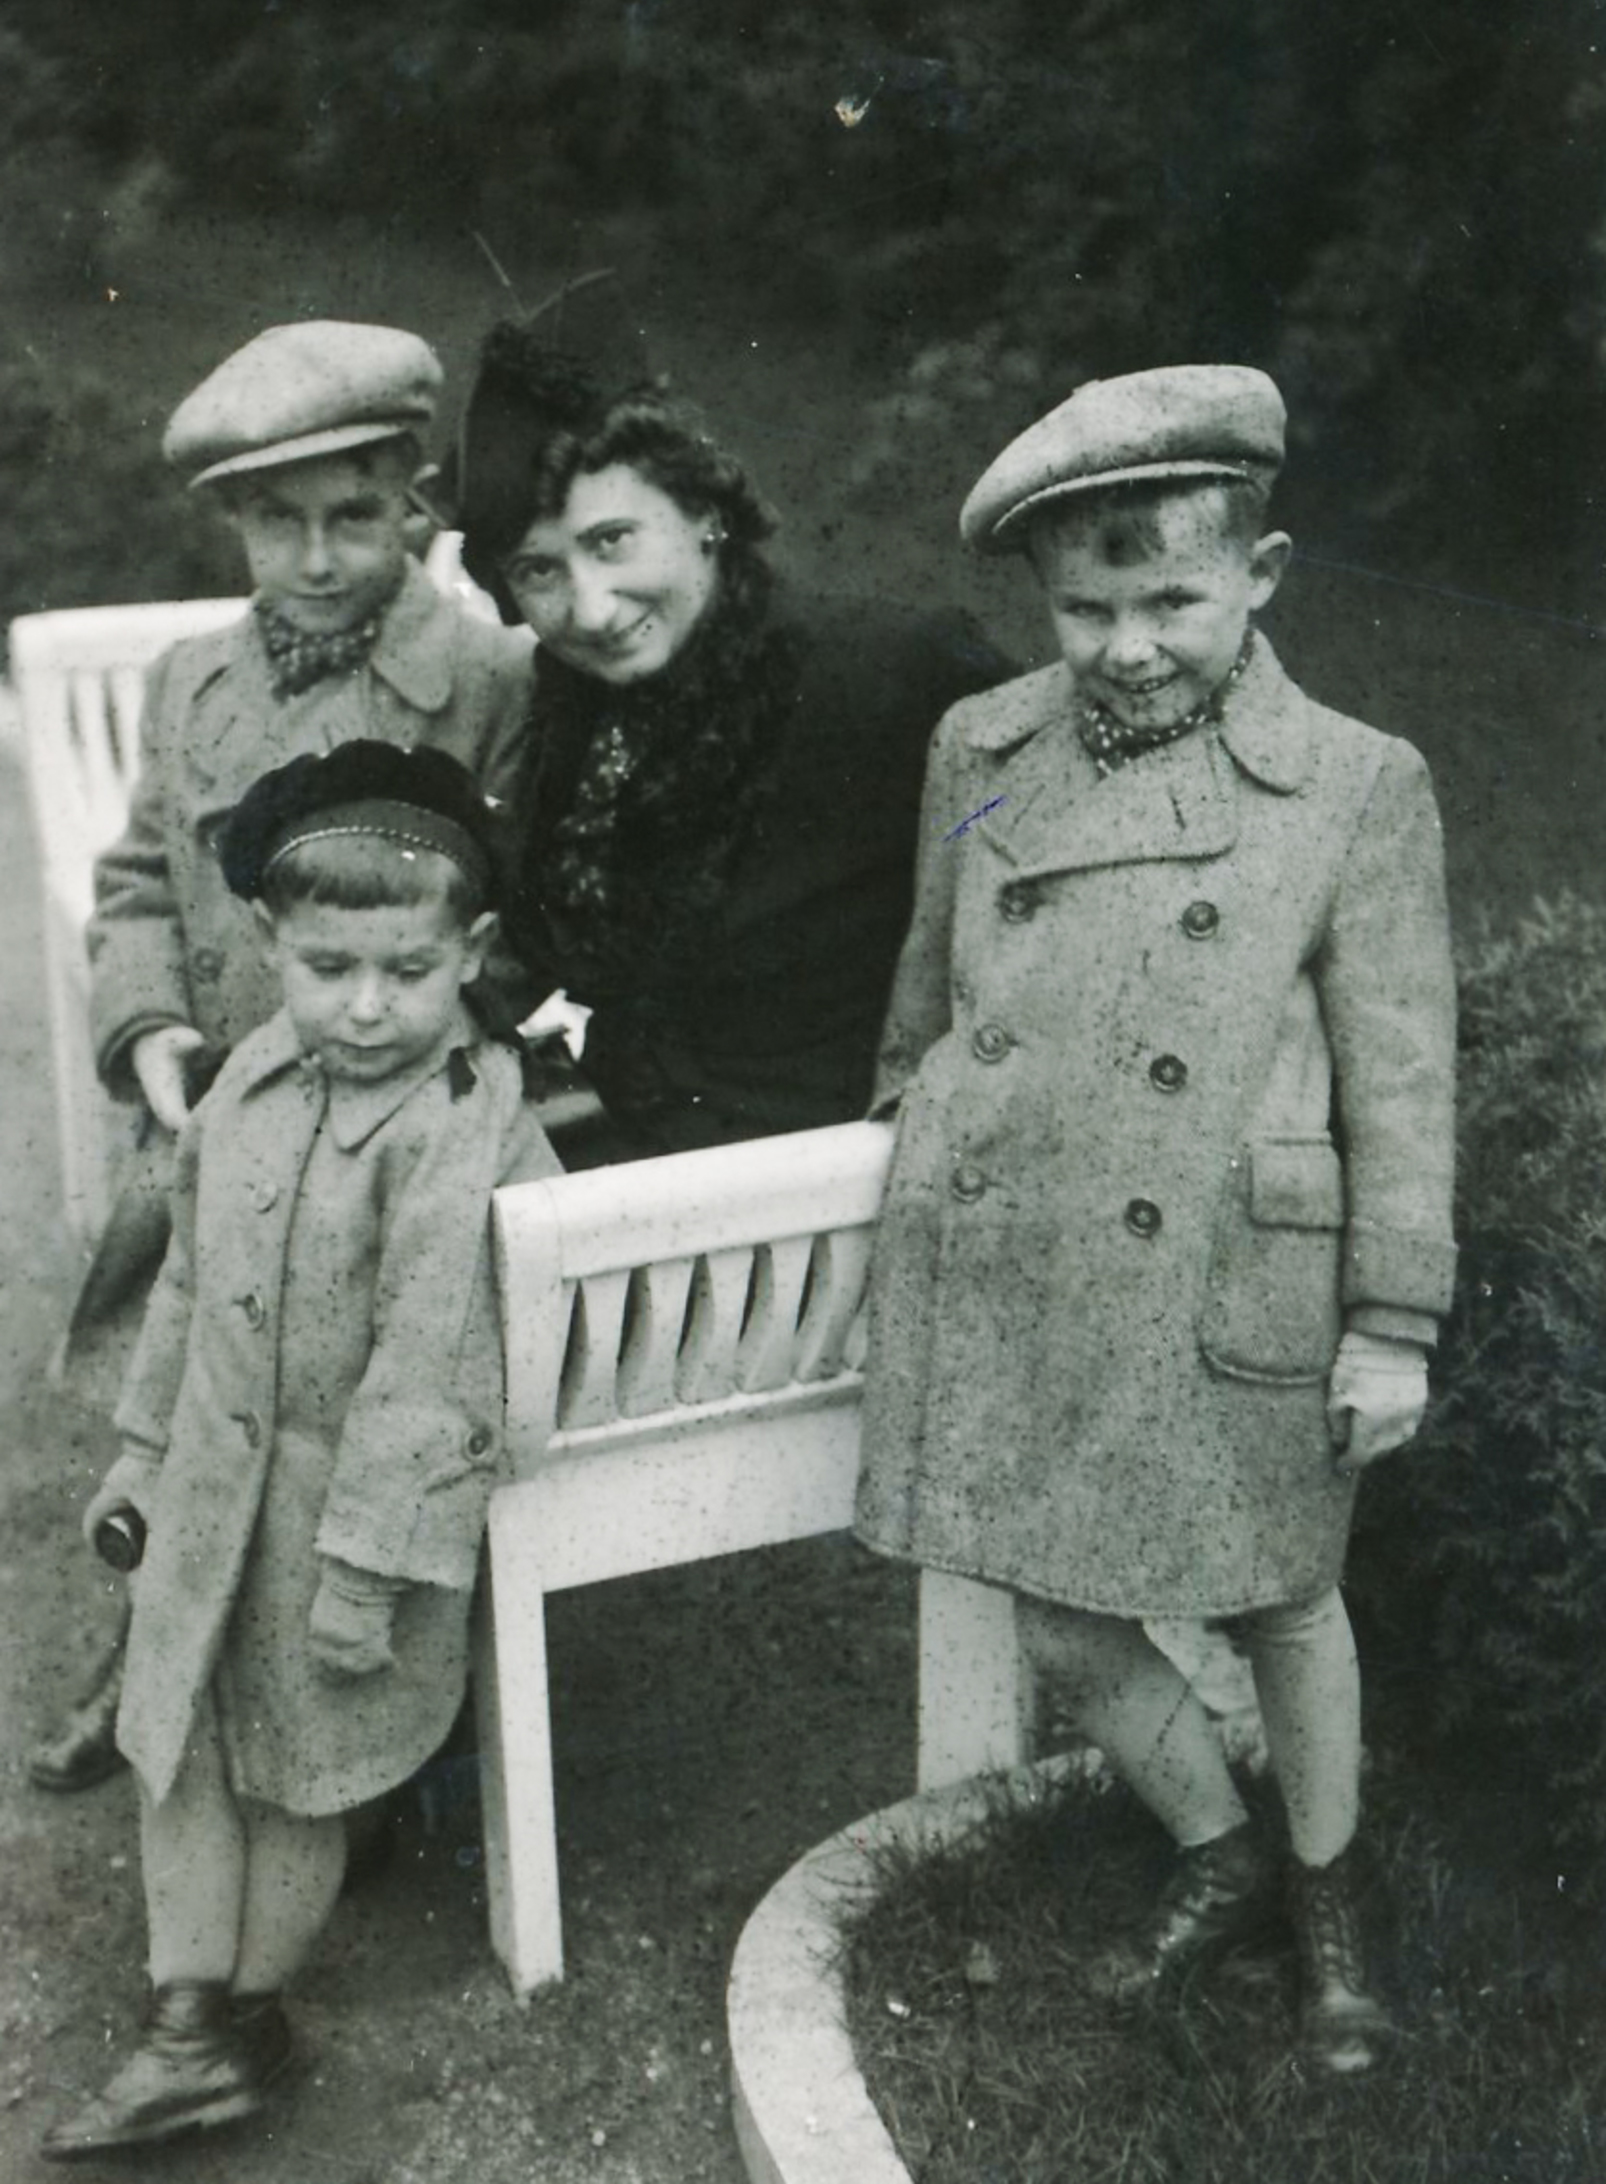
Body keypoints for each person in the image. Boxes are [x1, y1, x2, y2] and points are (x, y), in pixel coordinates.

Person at [854, 366, 1457, 2076]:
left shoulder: (1352, 783)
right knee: (1054, 1594)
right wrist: (915, 1152)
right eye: (1085, 608)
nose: (1125, 646)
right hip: (1022, 1245)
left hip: (1230, 1258)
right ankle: (1218, 1843)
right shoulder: (983, 748)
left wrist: (1393, 1319)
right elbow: (928, 989)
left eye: (1170, 601)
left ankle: (1330, 1899)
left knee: (1281, 1593)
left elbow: (1404, 1071)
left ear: (1262, 575)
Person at [29, 320, 533, 1795]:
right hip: (221, 1116)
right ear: (236, 524)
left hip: (391, 1128)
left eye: (353, 515)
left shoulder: (485, 677)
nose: (316, 558)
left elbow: (511, 923)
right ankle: (154, 1642)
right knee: (188, 1390)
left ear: (414, 504)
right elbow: (136, 884)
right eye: (277, 523)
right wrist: (152, 1035)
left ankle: (373, 1709)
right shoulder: (192, 679)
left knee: (358, 1407)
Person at [41, 741, 560, 2161]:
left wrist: (366, 1571)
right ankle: (186, 2015)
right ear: (271, 944)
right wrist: (140, 1454)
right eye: (328, 968)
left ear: (471, 952)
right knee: (180, 1749)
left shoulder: (456, 1129)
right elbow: (191, 1283)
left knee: (300, 1780)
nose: (366, 1005)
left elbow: (429, 1372)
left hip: (343, 1531)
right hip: (216, 1501)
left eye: (407, 969)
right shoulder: (257, 1080)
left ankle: (242, 2011)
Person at [446, 318, 1011, 1162]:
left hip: (845, 1172)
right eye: (539, 570)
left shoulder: (884, 674)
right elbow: (534, 945)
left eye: (611, 542)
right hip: (647, 1153)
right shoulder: (579, 706)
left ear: (704, 514)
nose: (592, 610)